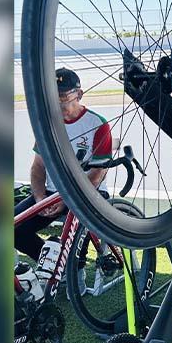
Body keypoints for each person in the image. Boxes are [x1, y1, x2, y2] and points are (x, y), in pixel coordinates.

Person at [14, 68, 112, 262]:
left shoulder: (98, 124)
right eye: (52, 96)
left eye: (63, 96)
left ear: (79, 94)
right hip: (51, 194)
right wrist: (41, 198)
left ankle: (75, 266)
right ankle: (54, 263)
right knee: (13, 228)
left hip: (87, 194)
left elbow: (97, 173)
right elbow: (38, 167)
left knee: (79, 227)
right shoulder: (47, 124)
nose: (58, 102)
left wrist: (66, 200)